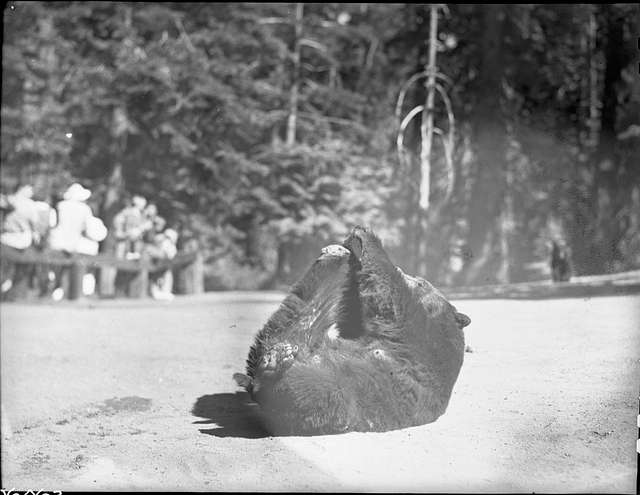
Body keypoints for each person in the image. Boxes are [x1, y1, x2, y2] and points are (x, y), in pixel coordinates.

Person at [48, 183, 108, 300]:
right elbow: (90, 230)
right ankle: (71, 293)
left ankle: (56, 290)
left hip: (56, 243)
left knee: (58, 271)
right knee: (78, 268)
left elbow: (52, 225)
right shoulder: (84, 209)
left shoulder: (59, 206)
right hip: (74, 245)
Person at [0, 184, 38, 250]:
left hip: (10, 237)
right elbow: (34, 224)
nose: (32, 192)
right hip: (25, 238)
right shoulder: (32, 204)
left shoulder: (12, 199)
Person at [112, 194, 147, 259]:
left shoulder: (141, 215)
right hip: (124, 243)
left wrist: (140, 229)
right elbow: (117, 222)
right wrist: (123, 232)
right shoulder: (126, 213)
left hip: (135, 246)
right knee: (120, 261)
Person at [148, 228, 178, 301]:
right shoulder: (161, 242)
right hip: (157, 266)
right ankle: (160, 293)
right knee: (160, 278)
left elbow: (169, 255)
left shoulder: (171, 247)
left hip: (164, 266)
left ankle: (164, 292)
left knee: (166, 275)